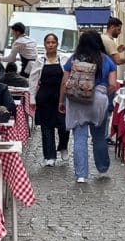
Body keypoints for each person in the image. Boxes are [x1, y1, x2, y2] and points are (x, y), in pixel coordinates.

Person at [59, 30, 117, 184]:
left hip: (77, 101)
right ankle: (102, 167)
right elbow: (113, 84)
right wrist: (103, 94)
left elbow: (65, 83)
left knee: (79, 136)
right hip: (99, 100)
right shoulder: (106, 60)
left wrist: (62, 101)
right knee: (99, 136)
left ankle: (81, 175)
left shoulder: (73, 59)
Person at [29, 32, 69, 166]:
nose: (50, 45)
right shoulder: (40, 61)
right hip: (44, 97)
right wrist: (32, 98)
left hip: (61, 97)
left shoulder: (63, 59)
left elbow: (69, 76)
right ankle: (49, 156)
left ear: (57, 44)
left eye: (53, 42)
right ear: (45, 45)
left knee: (64, 126)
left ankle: (63, 146)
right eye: (48, 42)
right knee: (47, 127)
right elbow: (33, 80)